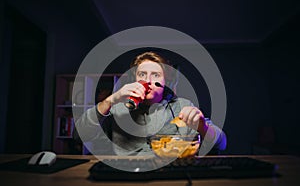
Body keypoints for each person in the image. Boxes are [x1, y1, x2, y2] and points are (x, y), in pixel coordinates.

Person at [75, 51, 226, 156]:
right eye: (142, 74)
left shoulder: (183, 106)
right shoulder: (117, 108)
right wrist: (109, 100)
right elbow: (79, 135)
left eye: (155, 75)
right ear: (135, 79)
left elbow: (222, 144)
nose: (148, 81)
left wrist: (203, 127)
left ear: (165, 81)